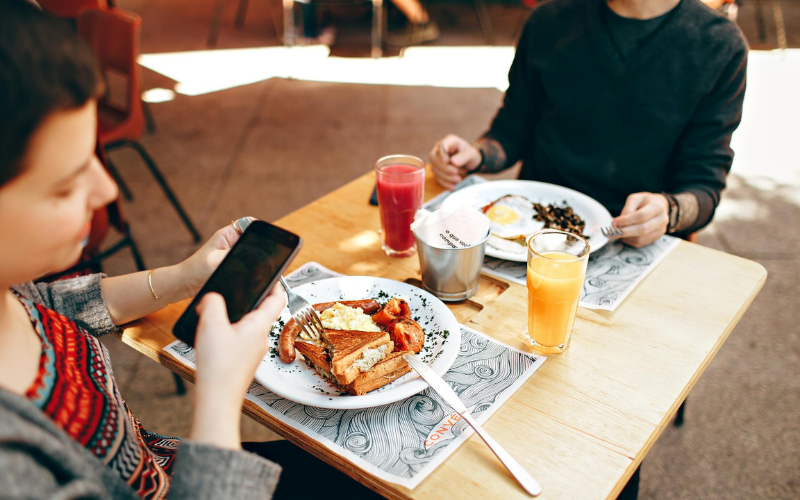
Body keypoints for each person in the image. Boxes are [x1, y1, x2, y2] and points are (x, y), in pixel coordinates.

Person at [429, 0, 747, 248]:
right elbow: (513, 128)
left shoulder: (719, 45)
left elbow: (704, 187)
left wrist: (668, 210)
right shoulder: (548, 20)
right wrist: (478, 154)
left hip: (631, 240)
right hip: (529, 231)